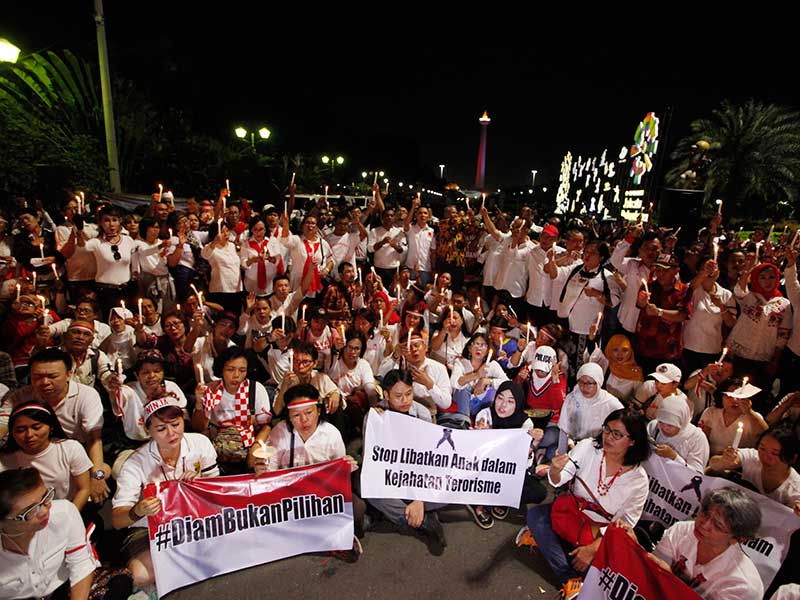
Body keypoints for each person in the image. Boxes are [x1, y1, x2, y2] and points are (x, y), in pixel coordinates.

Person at [516, 409, 651, 599]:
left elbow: (626, 523)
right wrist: (554, 470)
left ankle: (551, 547)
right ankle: (569, 578)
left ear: (632, 441)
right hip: (572, 514)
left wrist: (593, 549)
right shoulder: (589, 447)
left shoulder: (639, 480)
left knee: (601, 579)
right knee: (535, 517)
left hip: (600, 533)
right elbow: (560, 478)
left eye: (617, 434)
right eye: (607, 430)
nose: (608, 437)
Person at [111, 395, 219, 588]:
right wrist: (139, 510)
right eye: (161, 429)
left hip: (195, 519)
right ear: (148, 431)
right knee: (141, 575)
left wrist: (200, 486)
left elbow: (218, 492)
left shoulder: (200, 443)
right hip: (152, 529)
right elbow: (118, 520)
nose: (172, 433)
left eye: (176, 424)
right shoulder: (136, 464)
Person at [621, 487, 763, 600]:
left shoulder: (743, 586)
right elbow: (650, 574)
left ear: (737, 539)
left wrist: (668, 577)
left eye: (718, 526)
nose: (704, 524)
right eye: (705, 514)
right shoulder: (682, 530)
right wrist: (636, 550)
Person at [362, 369, 448, 555]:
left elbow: (430, 459)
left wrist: (419, 498)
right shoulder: (374, 415)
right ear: (386, 395)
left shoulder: (423, 413)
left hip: (418, 474)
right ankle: (423, 522)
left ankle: (412, 509)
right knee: (368, 487)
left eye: (409, 394)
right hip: (390, 474)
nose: (405, 400)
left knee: (450, 482)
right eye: (398, 396)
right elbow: (373, 458)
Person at [0, 467, 96, 600]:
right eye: (31, 510)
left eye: (45, 497)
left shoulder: (64, 513)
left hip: (62, 588)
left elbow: (81, 563)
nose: (44, 511)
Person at [471, 381, 546, 529]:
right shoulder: (485, 415)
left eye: (510, 401)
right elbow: (474, 455)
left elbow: (522, 462)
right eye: (500, 398)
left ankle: (499, 498)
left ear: (518, 404)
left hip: (509, 471)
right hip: (485, 469)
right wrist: (477, 438)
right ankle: (477, 502)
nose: (503, 405)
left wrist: (534, 444)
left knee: (539, 493)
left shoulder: (526, 424)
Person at [0, 402, 93, 512]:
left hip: (67, 510)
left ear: (51, 427)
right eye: (21, 430)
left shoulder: (70, 448)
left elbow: (83, 489)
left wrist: (70, 516)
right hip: (26, 517)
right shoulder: (5, 459)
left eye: (36, 427)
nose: (29, 435)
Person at [194, 346, 272, 473]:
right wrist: (198, 403)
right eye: (230, 369)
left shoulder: (255, 389)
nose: (236, 376)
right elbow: (198, 427)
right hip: (217, 451)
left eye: (242, 370)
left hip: (248, 447)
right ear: (221, 369)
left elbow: (266, 426)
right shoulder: (211, 389)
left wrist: (256, 446)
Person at [708, 426, 800, 515]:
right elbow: (713, 463)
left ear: (792, 458)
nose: (765, 456)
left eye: (774, 453)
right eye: (762, 448)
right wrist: (724, 461)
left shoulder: (795, 489)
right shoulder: (753, 457)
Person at [558, 362, 623, 454]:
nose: (584, 387)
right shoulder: (572, 398)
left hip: (600, 449)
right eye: (581, 382)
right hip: (574, 446)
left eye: (589, 383)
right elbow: (564, 430)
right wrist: (562, 453)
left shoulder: (610, 403)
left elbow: (623, 426)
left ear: (599, 382)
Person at [699, 379, 769, 456]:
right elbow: (701, 439)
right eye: (729, 396)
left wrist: (749, 412)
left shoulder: (753, 417)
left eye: (739, 396)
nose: (734, 400)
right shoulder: (711, 412)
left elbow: (766, 435)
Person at [450, 332, 508, 418]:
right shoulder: (460, 362)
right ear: (469, 348)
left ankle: (485, 421)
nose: (479, 348)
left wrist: (487, 381)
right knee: (464, 387)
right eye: (476, 344)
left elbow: (507, 383)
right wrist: (477, 375)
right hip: (463, 403)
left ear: (487, 350)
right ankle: (464, 422)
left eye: (483, 345)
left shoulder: (492, 365)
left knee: (493, 390)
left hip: (482, 404)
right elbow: (454, 382)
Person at [647, 394, 710, 472]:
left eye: (670, 425)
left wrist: (674, 457)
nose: (664, 428)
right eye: (661, 422)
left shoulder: (697, 438)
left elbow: (697, 475)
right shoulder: (653, 426)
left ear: (682, 423)